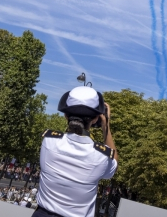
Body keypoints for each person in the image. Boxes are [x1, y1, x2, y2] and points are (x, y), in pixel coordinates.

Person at [34, 86, 118, 217]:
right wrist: (105, 125)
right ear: (95, 119)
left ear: (66, 116)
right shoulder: (101, 156)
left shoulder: (49, 141)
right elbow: (114, 163)